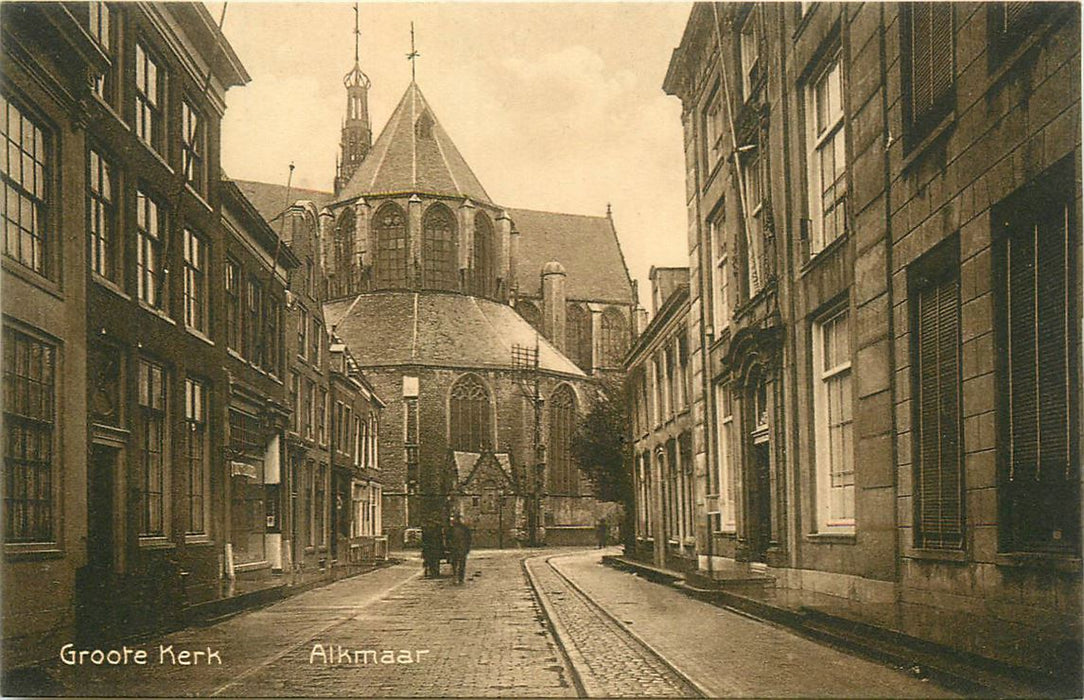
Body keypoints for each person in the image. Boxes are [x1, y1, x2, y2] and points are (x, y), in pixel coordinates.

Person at [447, 514, 472, 584]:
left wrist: (467, 547)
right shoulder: (452, 529)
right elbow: (448, 538)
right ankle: (456, 577)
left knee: (461, 563)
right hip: (455, 548)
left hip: (461, 548)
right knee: (455, 563)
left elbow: (468, 539)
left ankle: (460, 578)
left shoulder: (464, 528)